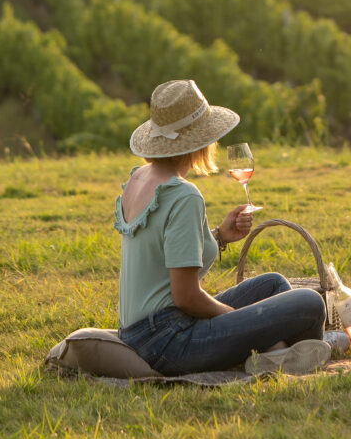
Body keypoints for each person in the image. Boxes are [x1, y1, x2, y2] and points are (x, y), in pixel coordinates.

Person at [115, 79, 330, 376]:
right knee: (309, 302)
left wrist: (219, 236)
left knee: (274, 285)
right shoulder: (183, 194)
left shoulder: (139, 178)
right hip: (169, 343)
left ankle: (277, 352)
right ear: (202, 139)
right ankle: (290, 352)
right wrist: (236, 318)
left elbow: (161, 254)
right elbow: (187, 298)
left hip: (137, 332)